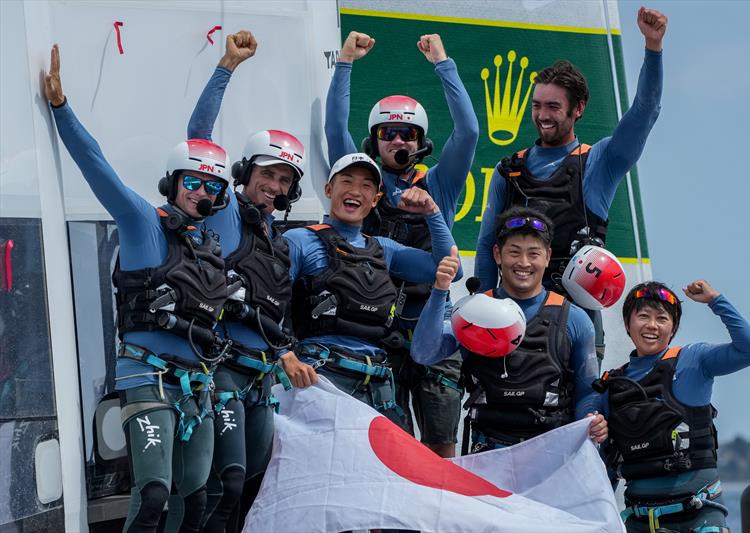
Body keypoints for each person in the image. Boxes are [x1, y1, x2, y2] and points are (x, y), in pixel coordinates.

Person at [46, 44, 231, 533]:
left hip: (199, 383)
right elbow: (96, 164)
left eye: (214, 188)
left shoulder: (213, 241)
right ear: (173, 182)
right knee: (153, 496)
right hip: (145, 379)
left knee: (198, 498)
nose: (203, 193)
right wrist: (62, 109)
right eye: (193, 181)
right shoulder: (140, 221)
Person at [474, 6, 668, 364]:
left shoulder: (599, 163)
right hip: (512, 323)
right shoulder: (508, 171)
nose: (543, 115)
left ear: (578, 108)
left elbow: (645, 111)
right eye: (537, 106)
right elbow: (488, 244)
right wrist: (484, 307)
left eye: (553, 106)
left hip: (575, 330)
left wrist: (652, 48)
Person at [185, 31, 318, 532]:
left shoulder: (282, 238)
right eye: (268, 173)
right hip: (223, 370)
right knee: (229, 480)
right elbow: (198, 140)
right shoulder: (222, 215)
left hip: (263, 377)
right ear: (244, 171)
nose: (275, 185)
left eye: (285, 180)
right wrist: (227, 66)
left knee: (258, 480)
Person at [325, 30, 479, 458]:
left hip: (434, 326)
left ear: (421, 143)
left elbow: (468, 133)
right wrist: (346, 61)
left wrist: (443, 63)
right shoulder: (361, 181)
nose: (399, 141)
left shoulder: (441, 184)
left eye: (408, 134)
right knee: (390, 452)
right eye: (389, 133)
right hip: (378, 330)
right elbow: (334, 127)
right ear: (373, 141)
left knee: (439, 451)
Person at [411, 206, 607, 453]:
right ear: (497, 254)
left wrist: (592, 420)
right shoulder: (473, 312)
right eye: (514, 252)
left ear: (547, 256)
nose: (524, 263)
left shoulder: (575, 320)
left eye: (533, 253)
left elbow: (588, 391)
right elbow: (423, 353)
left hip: (551, 457)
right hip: (488, 456)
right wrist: (440, 290)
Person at [284, 153, 461, 425]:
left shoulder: (384, 249)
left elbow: (450, 267)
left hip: (377, 386)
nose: (355, 191)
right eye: (346, 181)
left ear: (376, 199)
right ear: (329, 189)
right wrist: (285, 355)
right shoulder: (300, 240)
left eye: (366, 186)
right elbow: (269, 301)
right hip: (320, 379)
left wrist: (432, 212)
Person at [593, 280, 750, 533]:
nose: (652, 325)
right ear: (628, 324)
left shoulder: (694, 361)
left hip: (698, 518)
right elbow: (605, 466)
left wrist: (716, 301)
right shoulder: (612, 386)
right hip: (641, 521)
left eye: (662, 318)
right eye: (643, 316)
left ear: (672, 329)